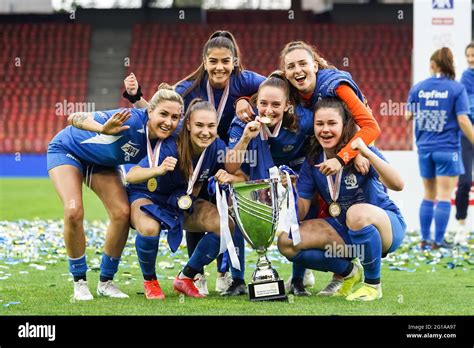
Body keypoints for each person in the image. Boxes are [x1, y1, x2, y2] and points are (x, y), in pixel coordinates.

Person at [123, 30, 265, 294]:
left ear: (234, 61)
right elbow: (157, 111)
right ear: (204, 61)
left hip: (222, 153)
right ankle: (193, 274)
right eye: (213, 61)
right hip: (191, 155)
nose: (219, 67)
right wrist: (136, 97)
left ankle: (231, 276)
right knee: (193, 201)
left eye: (226, 61)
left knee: (227, 212)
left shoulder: (246, 80)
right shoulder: (188, 88)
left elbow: (276, 87)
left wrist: (248, 100)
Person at [235, 40, 379, 296]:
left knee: (342, 216)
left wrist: (350, 154)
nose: (297, 70)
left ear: (316, 64)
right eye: (291, 66)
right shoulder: (291, 87)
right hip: (317, 160)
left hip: (350, 153)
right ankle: (306, 279)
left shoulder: (337, 86)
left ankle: (356, 274)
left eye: (303, 63)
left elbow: (371, 126)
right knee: (303, 221)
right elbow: (266, 89)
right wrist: (244, 99)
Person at [47, 85, 184, 300]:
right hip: (69, 150)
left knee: (121, 213)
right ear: (150, 112)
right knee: (74, 210)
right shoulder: (129, 119)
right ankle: (80, 281)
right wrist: (102, 129)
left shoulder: (169, 130)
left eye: (175, 117)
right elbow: (74, 116)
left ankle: (106, 282)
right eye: (164, 114)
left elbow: (200, 127)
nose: (169, 122)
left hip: (103, 163)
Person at [278, 97, 406, 301]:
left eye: (332, 123)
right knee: (286, 241)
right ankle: (349, 272)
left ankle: (373, 285)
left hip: (385, 228)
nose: (325, 130)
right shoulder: (313, 161)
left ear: (344, 125)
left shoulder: (359, 152)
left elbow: (398, 184)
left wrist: (366, 151)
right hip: (344, 230)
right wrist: (291, 190)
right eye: (320, 124)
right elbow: (300, 212)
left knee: (356, 213)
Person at [125, 99, 246, 299]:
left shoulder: (216, 146)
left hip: (181, 200)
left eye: (211, 126)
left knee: (224, 224)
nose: (205, 132)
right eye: (199, 125)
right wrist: (159, 169)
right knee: (149, 229)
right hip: (148, 195)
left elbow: (240, 175)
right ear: (188, 124)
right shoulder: (170, 144)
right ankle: (150, 281)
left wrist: (229, 176)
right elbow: (131, 175)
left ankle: (186, 277)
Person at [406, 47, 473, 249]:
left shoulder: (419, 88)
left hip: (425, 148)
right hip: (448, 149)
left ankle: (424, 240)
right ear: (451, 64)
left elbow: (408, 116)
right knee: (444, 195)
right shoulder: (456, 88)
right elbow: (463, 120)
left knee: (428, 194)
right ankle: (438, 241)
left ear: (433, 65)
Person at [454, 43, 474, 246]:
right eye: (468, 55)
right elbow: (468, 108)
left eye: (473, 55)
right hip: (467, 136)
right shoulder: (466, 77)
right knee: (465, 181)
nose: (470, 59)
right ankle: (461, 225)